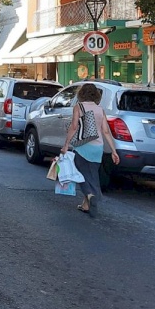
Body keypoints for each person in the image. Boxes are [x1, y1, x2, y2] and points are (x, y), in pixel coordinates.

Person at [60, 83, 120, 217]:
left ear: (81, 94)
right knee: (92, 175)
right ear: (96, 95)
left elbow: (74, 127)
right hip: (97, 148)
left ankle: (89, 194)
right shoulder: (100, 109)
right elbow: (105, 131)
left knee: (80, 174)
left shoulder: (78, 107)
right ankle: (86, 205)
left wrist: (66, 145)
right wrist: (114, 151)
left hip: (83, 146)